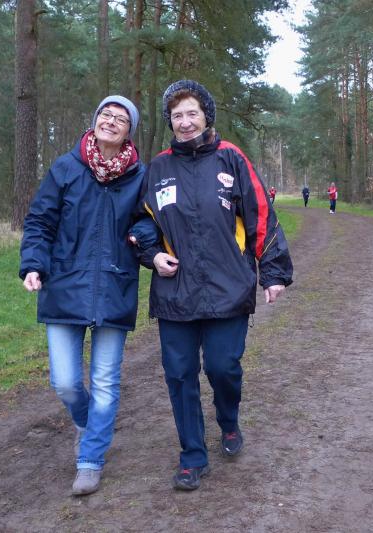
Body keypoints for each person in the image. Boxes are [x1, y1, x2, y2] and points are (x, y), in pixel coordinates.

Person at [136, 80, 293, 491]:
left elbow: (261, 215)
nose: (185, 122)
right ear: (170, 122)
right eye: (177, 116)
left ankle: (228, 419)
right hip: (175, 292)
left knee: (222, 367)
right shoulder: (158, 168)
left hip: (228, 288)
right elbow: (141, 221)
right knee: (179, 374)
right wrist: (152, 254)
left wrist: (273, 273)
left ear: (206, 115)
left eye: (192, 113)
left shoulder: (231, 158)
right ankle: (192, 455)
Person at [19, 95, 155, 497]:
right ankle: (86, 423)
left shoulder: (140, 176)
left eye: (120, 119)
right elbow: (40, 221)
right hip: (64, 283)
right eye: (104, 115)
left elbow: (150, 221)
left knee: (106, 382)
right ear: (95, 121)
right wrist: (33, 264)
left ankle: (91, 460)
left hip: (115, 285)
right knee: (64, 382)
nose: (110, 121)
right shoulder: (66, 167)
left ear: (129, 132)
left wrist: (141, 236)